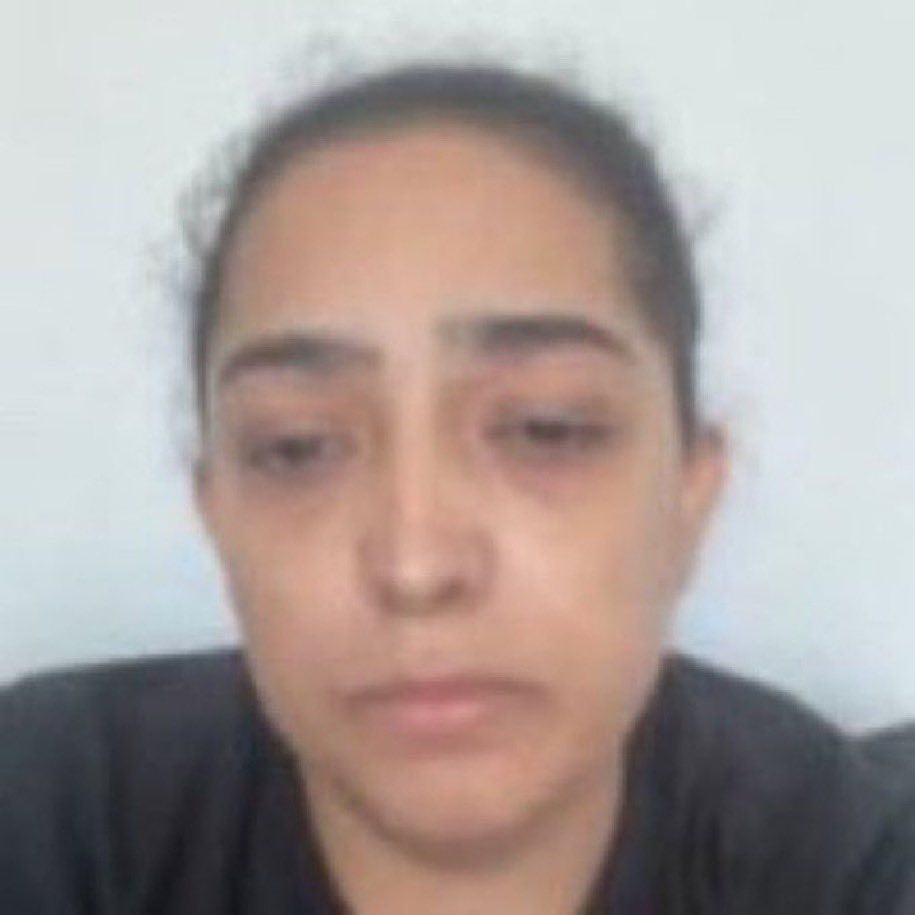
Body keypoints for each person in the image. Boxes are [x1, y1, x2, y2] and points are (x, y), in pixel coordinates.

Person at [1, 60, 913, 915]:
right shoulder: (55, 814)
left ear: (687, 498)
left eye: (545, 429)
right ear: (219, 519)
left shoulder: (840, 861)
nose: (415, 563)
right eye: (296, 447)